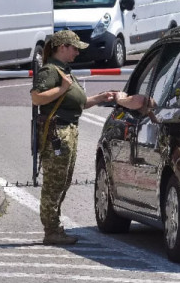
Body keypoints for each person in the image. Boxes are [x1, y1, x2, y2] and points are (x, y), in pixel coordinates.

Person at [30, 30, 146, 245]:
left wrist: (101, 98)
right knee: (54, 184)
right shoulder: (50, 71)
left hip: (68, 131)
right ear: (62, 47)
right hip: (57, 133)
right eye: (74, 48)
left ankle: (54, 228)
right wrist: (62, 87)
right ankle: (52, 230)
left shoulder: (64, 70)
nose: (76, 52)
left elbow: (80, 103)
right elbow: (37, 97)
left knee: (63, 181)